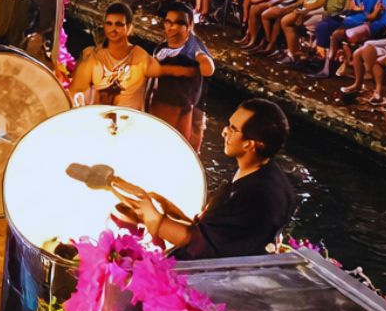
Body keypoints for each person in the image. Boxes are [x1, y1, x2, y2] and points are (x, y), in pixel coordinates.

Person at [117, 98, 297, 260]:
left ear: (249, 144)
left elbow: (205, 246)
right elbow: (221, 232)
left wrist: (152, 217)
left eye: (233, 129)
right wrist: (170, 210)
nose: (224, 132)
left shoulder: (259, 195)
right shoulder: (265, 175)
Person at [147, 1, 215, 148]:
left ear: (189, 25)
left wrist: (180, 70)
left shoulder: (193, 48)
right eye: (168, 22)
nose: (171, 27)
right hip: (167, 105)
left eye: (178, 23)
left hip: (183, 108)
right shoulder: (163, 48)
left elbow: (208, 68)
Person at [70, 2, 151, 110]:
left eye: (118, 24)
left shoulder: (139, 61)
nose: (113, 29)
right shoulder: (90, 56)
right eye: (109, 24)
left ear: (129, 28)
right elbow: (75, 94)